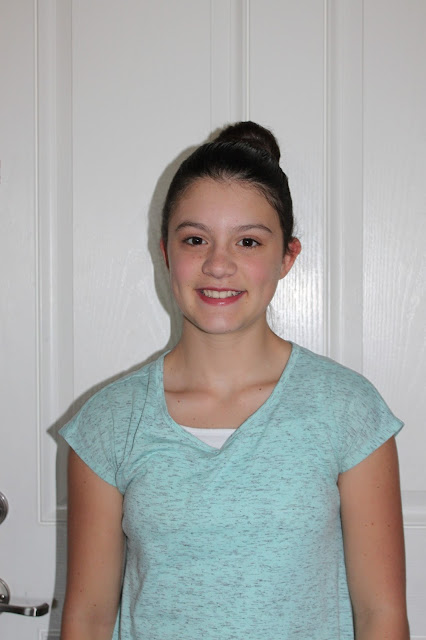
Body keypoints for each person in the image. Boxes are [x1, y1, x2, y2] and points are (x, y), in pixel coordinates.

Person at [60, 121, 409, 639]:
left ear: (287, 257)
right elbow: (88, 619)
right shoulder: (109, 423)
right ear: (165, 253)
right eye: (195, 239)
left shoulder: (348, 411)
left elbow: (382, 615)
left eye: (247, 242)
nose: (218, 265)